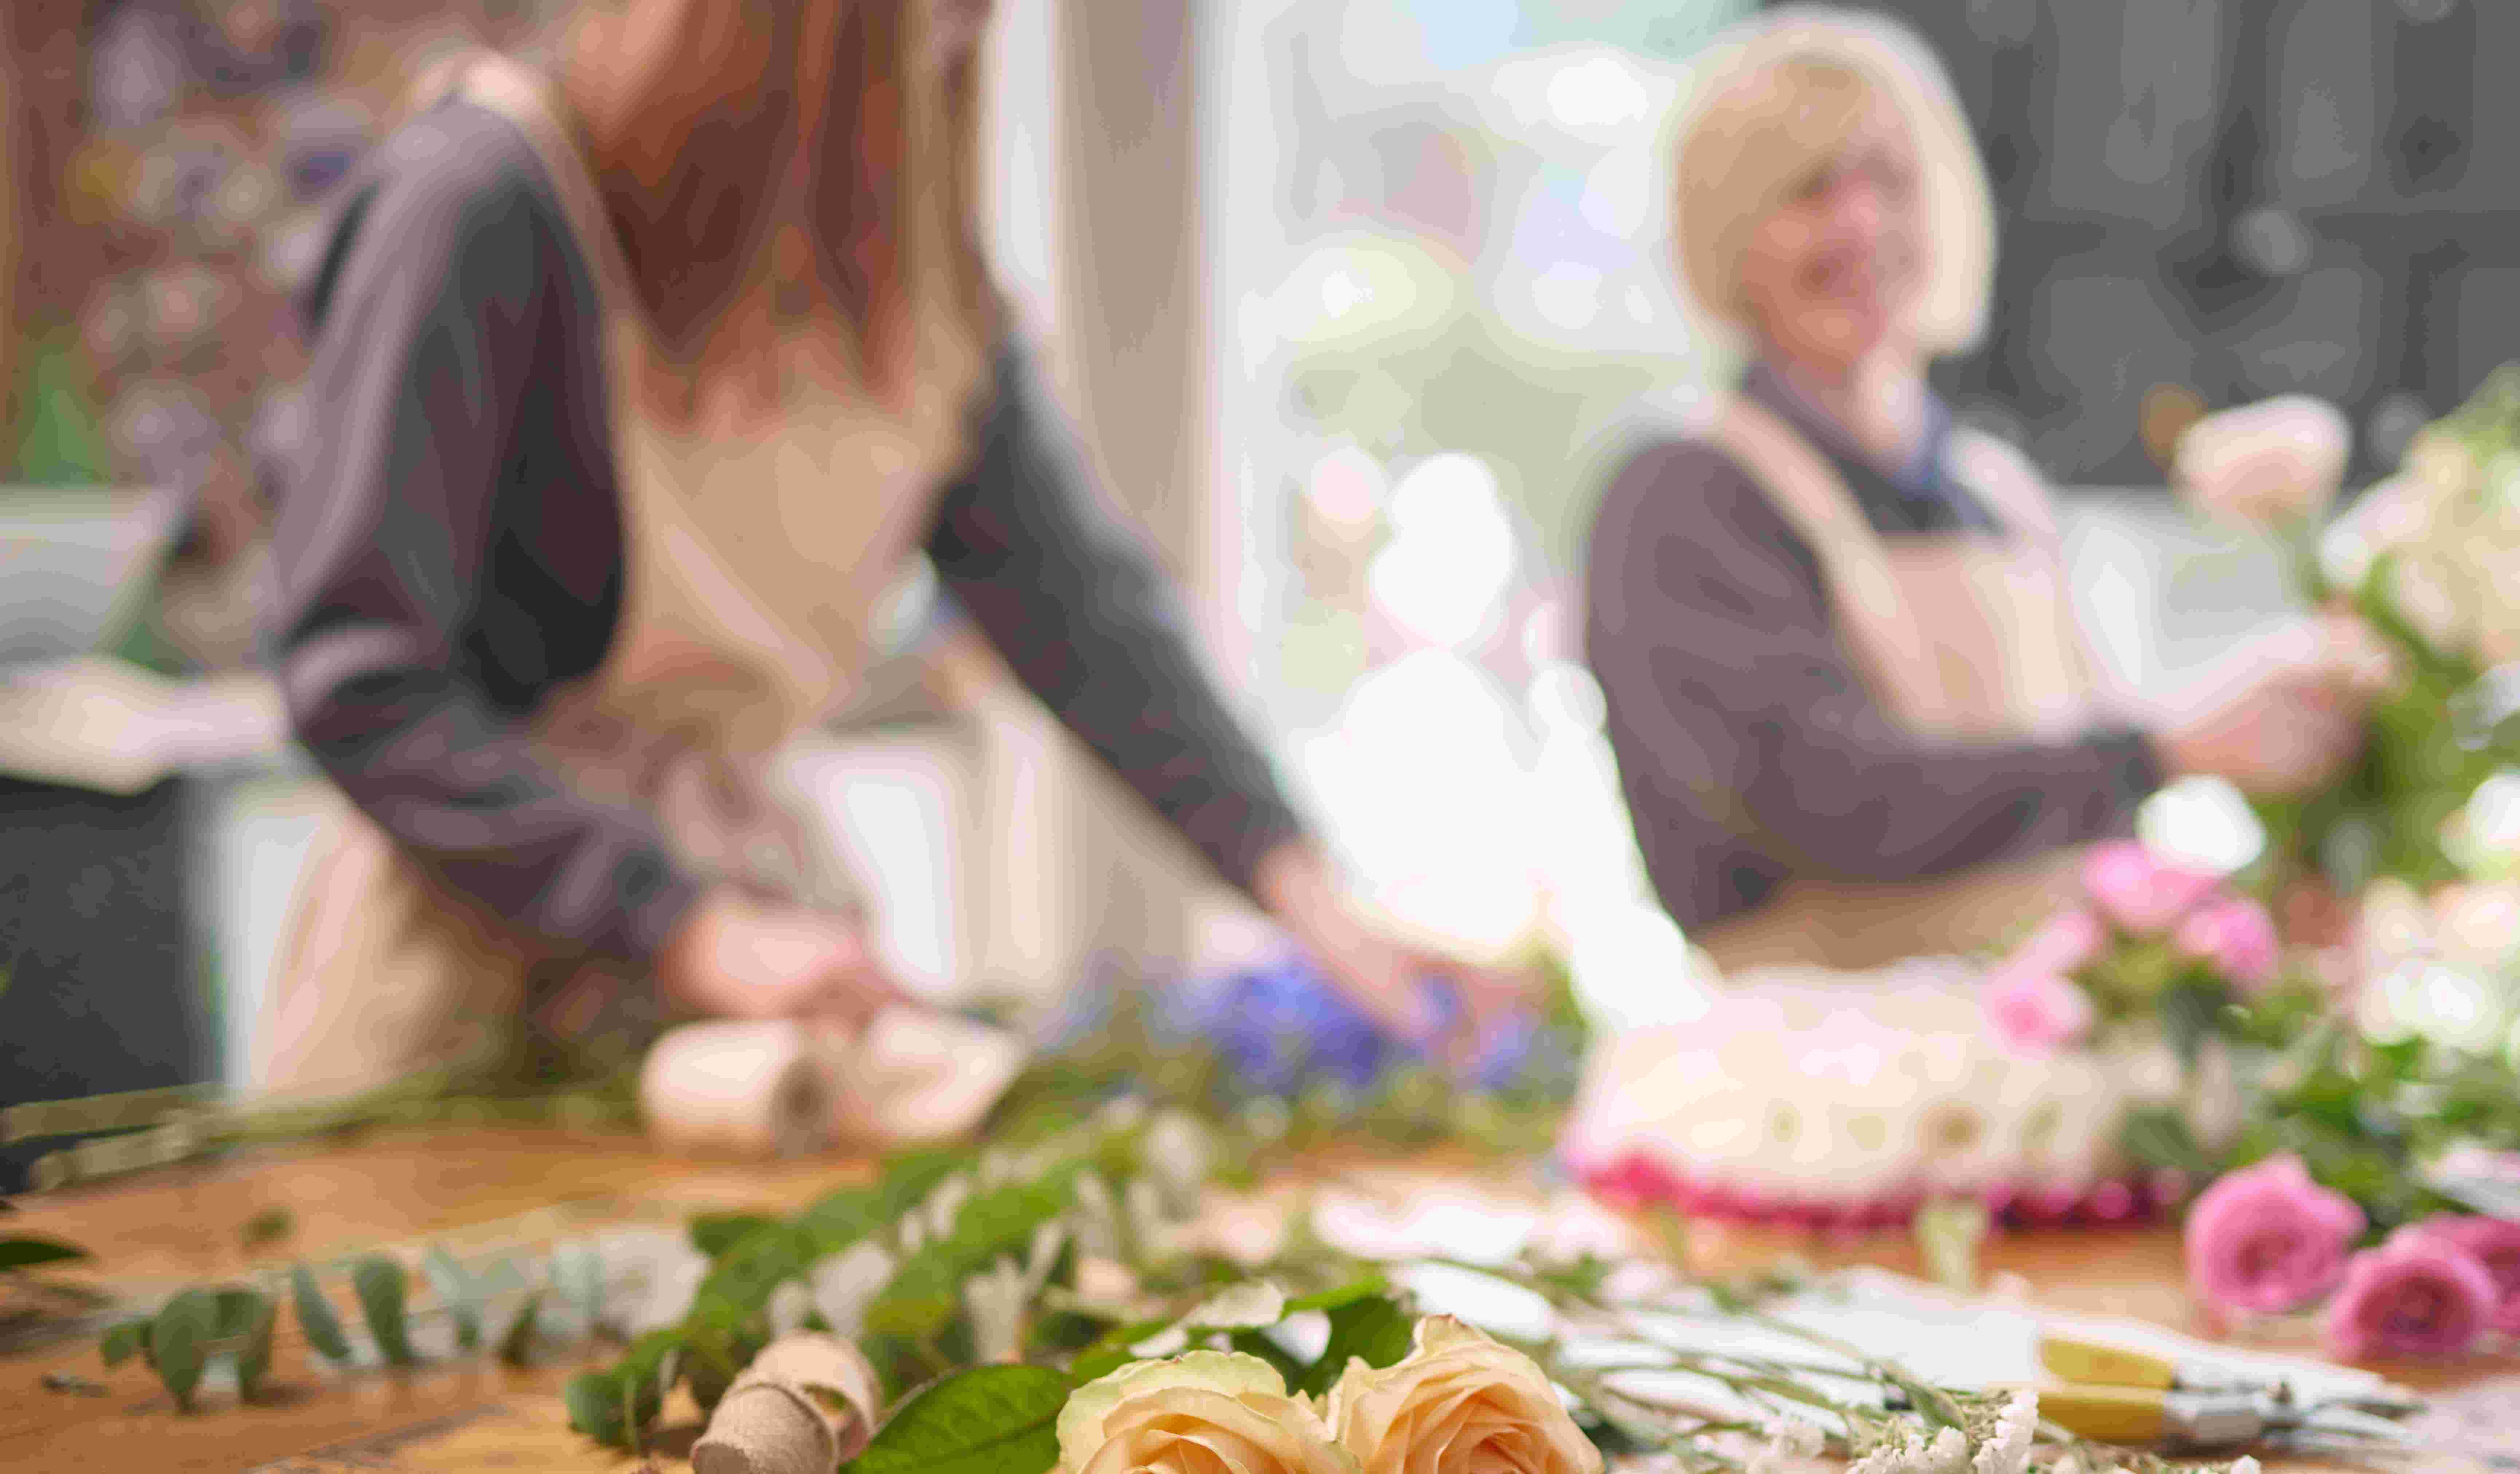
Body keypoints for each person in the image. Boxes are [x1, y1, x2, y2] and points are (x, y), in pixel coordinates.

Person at [250, 0, 1522, 1101]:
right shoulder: (480, 204)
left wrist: (1310, 898)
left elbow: (1078, 607)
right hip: (456, 993)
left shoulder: (908, 276)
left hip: (753, 987)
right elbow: (361, 678)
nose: (967, 36)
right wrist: (677, 921)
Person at [1583, 9, 2381, 979]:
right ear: (1727, 229)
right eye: (1807, 189)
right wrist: (2169, 750)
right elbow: (1826, 798)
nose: (1861, 224)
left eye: (1891, 180)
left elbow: (2079, 840)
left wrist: (2255, 901)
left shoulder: (1998, 494)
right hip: (1817, 1074)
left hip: (2042, 1046)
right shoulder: (1689, 496)